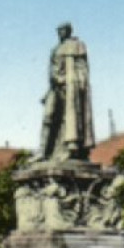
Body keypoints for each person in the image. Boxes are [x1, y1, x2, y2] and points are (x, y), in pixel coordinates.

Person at [39, 24, 94, 163]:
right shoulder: (55, 49)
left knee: (70, 118)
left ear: (68, 31)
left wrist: (77, 83)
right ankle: (43, 151)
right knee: (48, 117)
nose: (60, 33)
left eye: (62, 30)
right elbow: (52, 70)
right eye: (58, 31)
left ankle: (71, 148)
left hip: (70, 86)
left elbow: (82, 68)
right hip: (54, 87)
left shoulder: (77, 46)